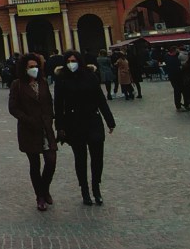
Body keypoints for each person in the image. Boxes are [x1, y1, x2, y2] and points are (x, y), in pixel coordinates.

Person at [54, 51, 115, 206]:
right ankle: (85, 189)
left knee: (97, 157)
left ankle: (96, 187)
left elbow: (100, 99)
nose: (71, 63)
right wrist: (59, 127)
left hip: (93, 120)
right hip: (74, 123)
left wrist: (110, 120)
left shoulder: (90, 76)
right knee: (80, 158)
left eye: (73, 60)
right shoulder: (61, 79)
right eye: (68, 61)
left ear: (79, 61)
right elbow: (58, 105)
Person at [8, 53, 57, 211]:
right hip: (28, 129)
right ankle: (40, 196)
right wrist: (27, 119)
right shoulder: (18, 84)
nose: (34, 69)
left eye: (36, 66)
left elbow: (49, 102)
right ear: (24, 68)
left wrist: (50, 118)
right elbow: (13, 108)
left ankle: (45, 188)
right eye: (31, 67)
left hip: (45, 128)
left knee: (51, 161)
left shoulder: (42, 82)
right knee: (35, 164)